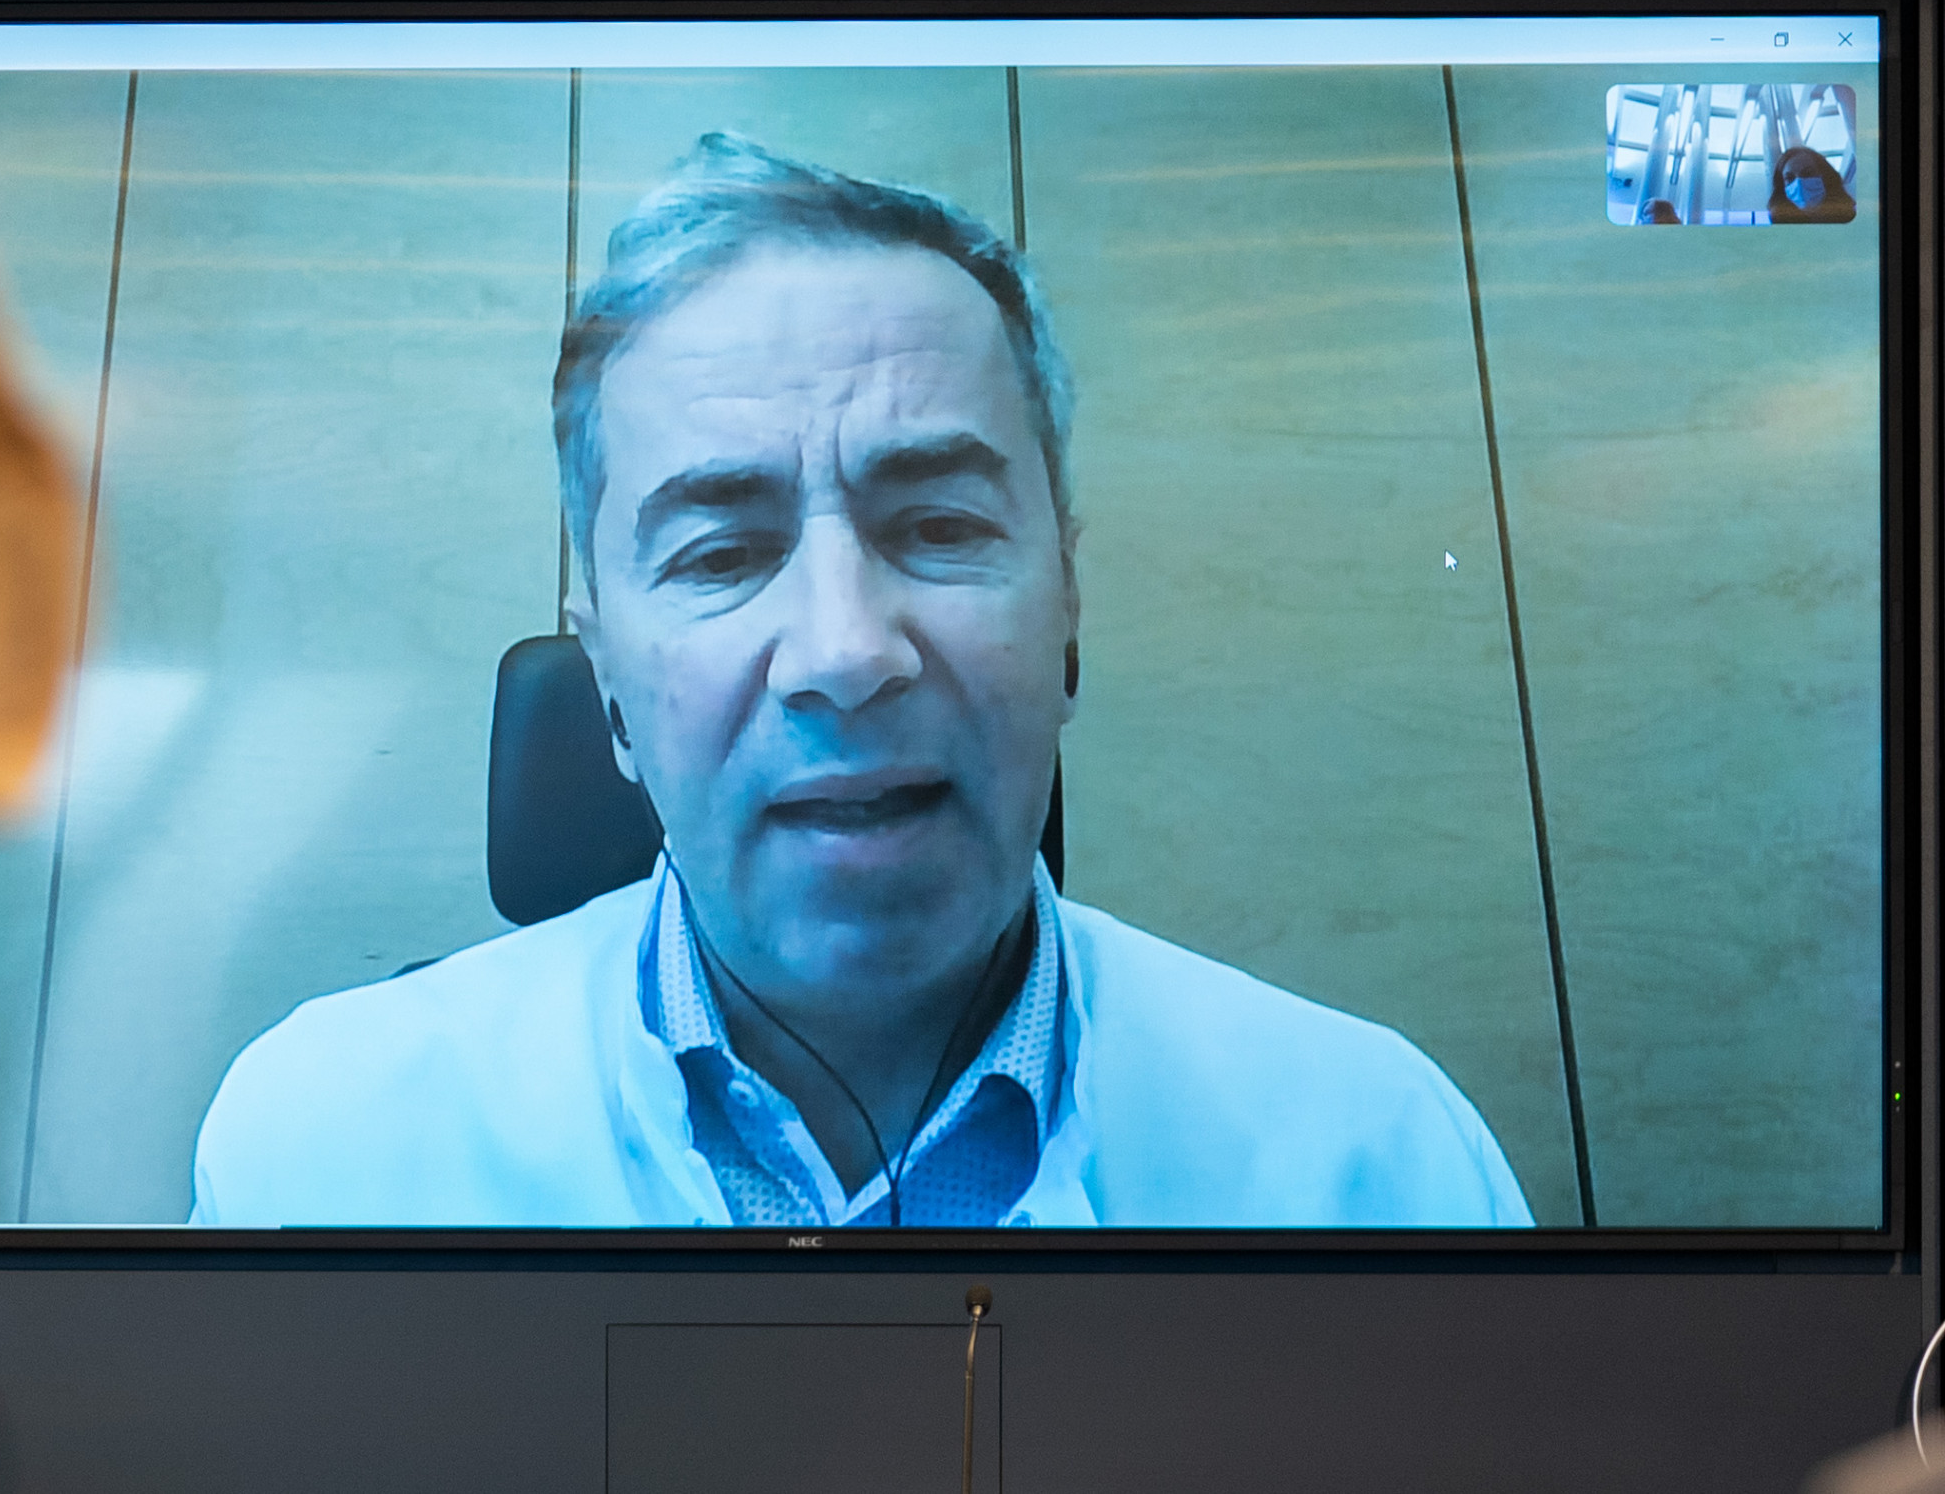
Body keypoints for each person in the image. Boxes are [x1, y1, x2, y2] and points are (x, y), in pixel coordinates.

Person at [190, 135, 1528, 1231]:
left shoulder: (1381, 1165)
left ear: (1066, 610)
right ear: (607, 689)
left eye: (940, 527)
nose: (845, 652)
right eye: (721, 551)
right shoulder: (321, 1153)